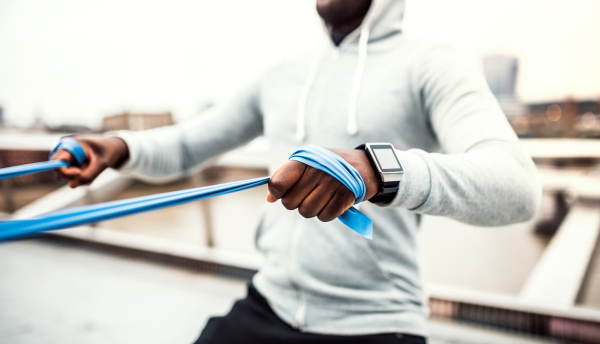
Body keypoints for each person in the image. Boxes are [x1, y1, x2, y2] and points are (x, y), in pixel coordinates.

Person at [52, 0, 541, 343]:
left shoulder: (432, 64)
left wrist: (376, 170)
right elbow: (187, 144)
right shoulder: (284, 72)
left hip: (377, 325)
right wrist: (117, 147)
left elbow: (516, 186)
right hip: (268, 304)